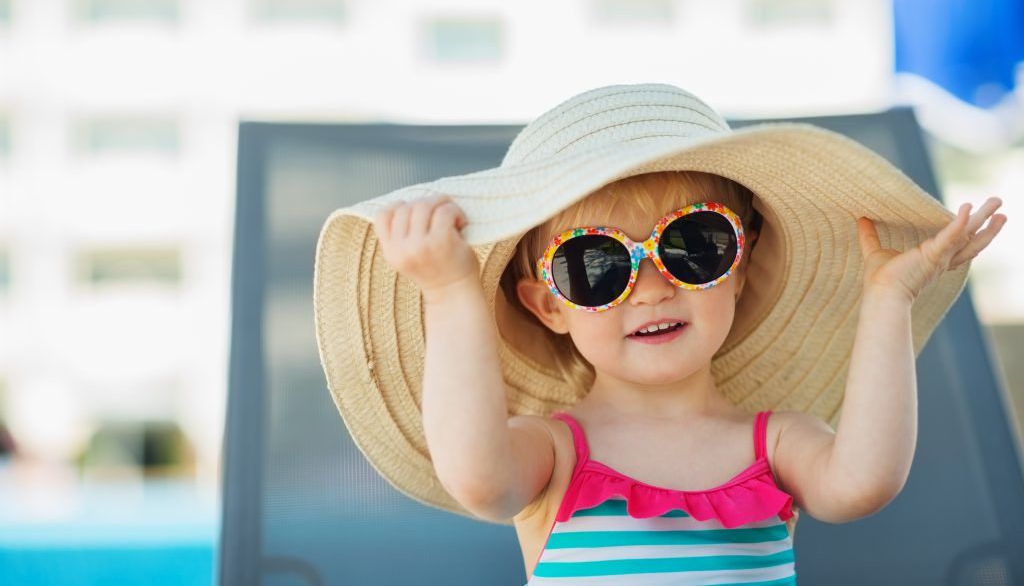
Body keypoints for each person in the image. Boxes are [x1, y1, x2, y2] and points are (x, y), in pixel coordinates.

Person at [313, 83, 1006, 584]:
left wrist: (887, 297)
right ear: (547, 305)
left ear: (740, 265)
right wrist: (451, 289)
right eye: (596, 265)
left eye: (692, 245)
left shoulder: (774, 443)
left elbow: (864, 483)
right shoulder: (555, 453)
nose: (651, 285)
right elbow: (476, 478)